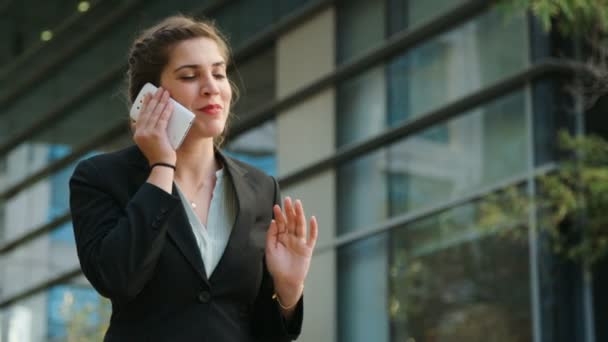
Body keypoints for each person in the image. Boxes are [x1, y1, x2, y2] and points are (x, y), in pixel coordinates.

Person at [69, 14, 318, 342]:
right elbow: (117, 279)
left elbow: (262, 331)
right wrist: (161, 167)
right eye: (189, 76)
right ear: (149, 96)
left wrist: (288, 291)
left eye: (219, 73)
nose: (212, 88)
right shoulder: (100, 178)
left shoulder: (260, 188)